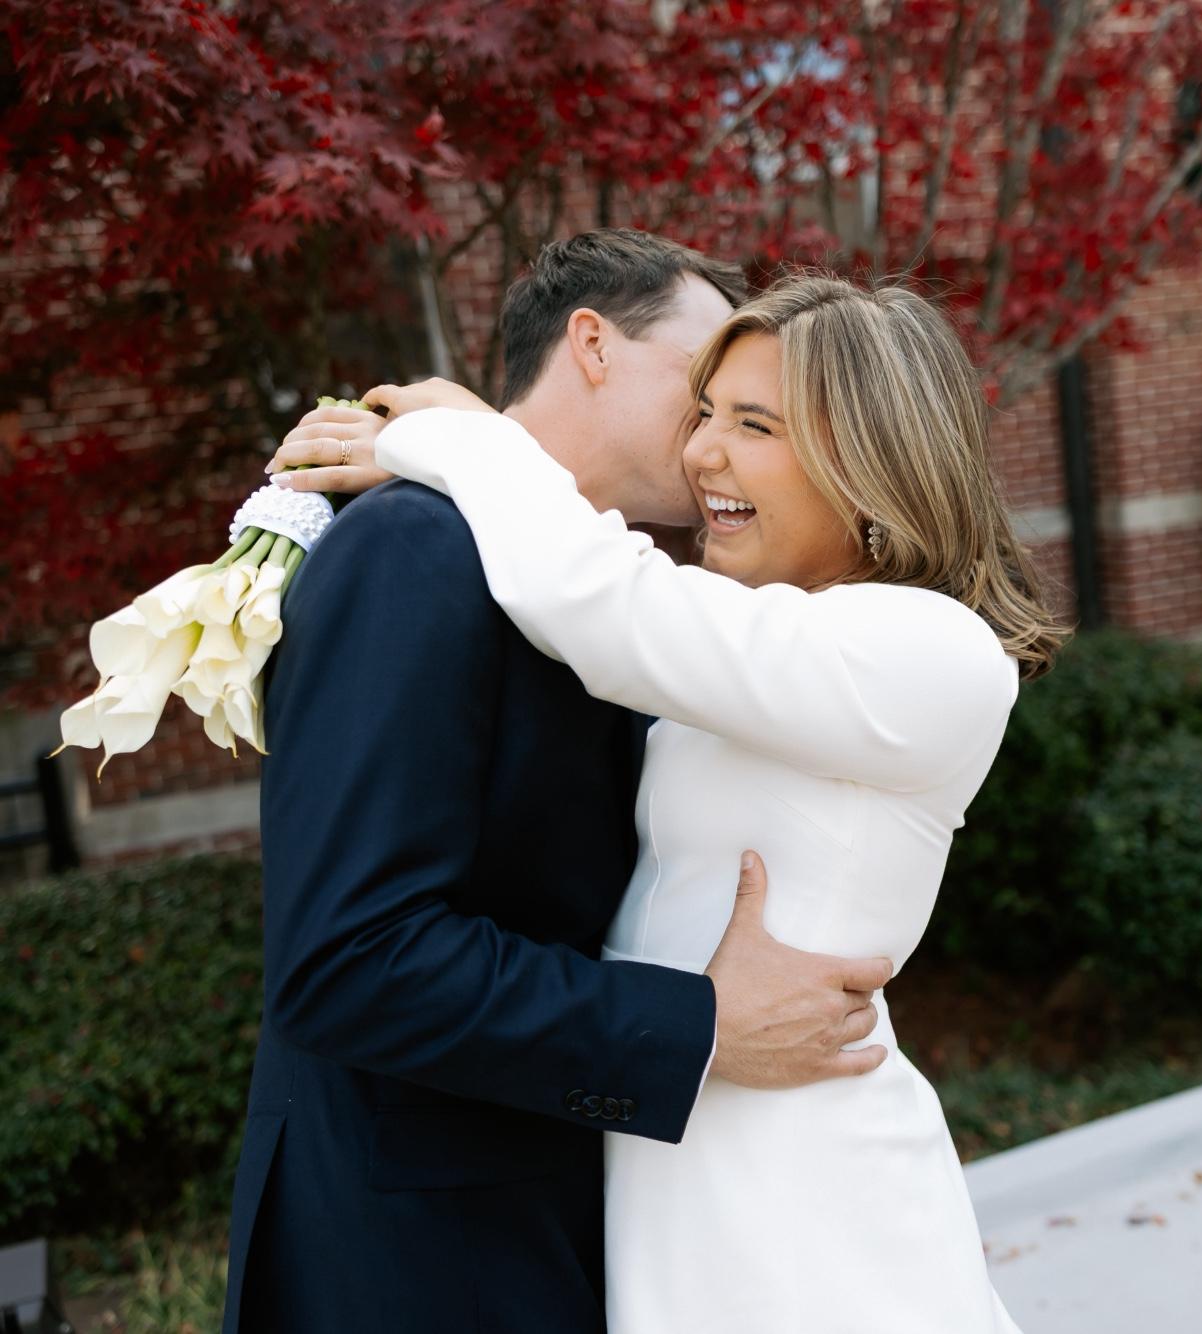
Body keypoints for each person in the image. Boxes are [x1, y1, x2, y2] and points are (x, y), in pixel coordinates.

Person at [278, 271, 1071, 1332]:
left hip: (806, 1208)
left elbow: (601, 602)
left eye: (753, 424)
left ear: (868, 461)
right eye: (703, 411)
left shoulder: (933, 651)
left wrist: (465, 440)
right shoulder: (755, 645)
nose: (702, 451)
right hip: (669, 1188)